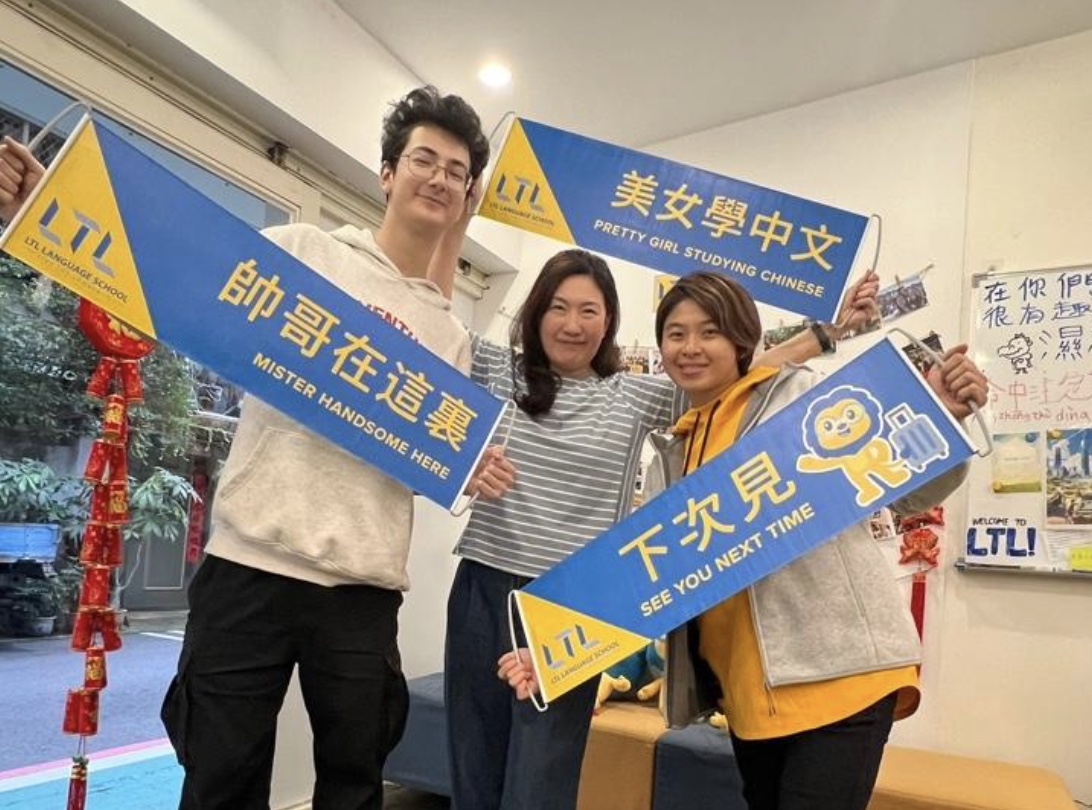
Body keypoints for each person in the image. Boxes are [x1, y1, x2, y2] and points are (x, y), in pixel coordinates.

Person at [0, 86, 516, 810]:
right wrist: (44, 206)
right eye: (423, 160)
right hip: (250, 564)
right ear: (388, 174)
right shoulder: (302, 253)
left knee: (354, 783)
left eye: (456, 172)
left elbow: (427, 455)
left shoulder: (450, 337)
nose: (439, 178)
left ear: (465, 197)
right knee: (219, 777)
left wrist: (468, 468)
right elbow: (176, 274)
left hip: (363, 587)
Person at [431, 212, 880, 810]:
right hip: (482, 588)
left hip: (569, 606)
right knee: (472, 767)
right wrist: (453, 222)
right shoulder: (496, 368)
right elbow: (431, 328)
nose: (572, 324)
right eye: (558, 307)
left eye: (589, 311)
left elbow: (739, 374)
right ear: (535, 313)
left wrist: (829, 332)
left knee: (540, 781)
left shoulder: (635, 395)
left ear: (609, 323)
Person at [501, 271, 987, 810]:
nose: (690, 347)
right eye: (676, 334)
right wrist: (552, 654)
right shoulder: (672, 457)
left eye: (709, 332)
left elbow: (909, 494)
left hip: (842, 675)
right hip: (750, 698)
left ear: (741, 341)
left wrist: (944, 420)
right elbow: (648, 580)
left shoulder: (798, 398)